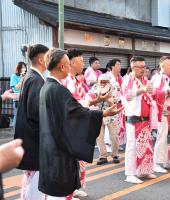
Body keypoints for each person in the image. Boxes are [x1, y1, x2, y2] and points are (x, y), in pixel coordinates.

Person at [39, 48, 121, 199]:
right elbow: (75, 112)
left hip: (51, 143)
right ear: (62, 67)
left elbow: (73, 110)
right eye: (68, 65)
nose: (70, 68)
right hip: (59, 147)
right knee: (59, 191)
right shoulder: (58, 89)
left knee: (55, 190)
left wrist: (98, 102)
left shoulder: (47, 87)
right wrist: (103, 113)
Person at [62, 48, 107, 197]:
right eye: (81, 60)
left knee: (77, 161)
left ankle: (73, 188)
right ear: (72, 62)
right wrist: (93, 102)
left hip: (77, 123)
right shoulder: (68, 79)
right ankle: (68, 192)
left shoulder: (74, 79)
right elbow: (77, 103)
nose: (83, 63)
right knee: (70, 161)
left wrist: (96, 99)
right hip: (71, 126)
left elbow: (82, 101)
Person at [13, 44, 49, 200]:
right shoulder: (36, 80)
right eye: (48, 56)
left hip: (29, 138)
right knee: (35, 183)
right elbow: (36, 112)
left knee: (30, 180)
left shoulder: (31, 77)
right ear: (41, 59)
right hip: (34, 140)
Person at [122, 56, 157, 184]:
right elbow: (127, 96)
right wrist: (141, 90)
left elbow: (150, 94)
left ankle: (144, 170)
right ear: (133, 67)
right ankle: (130, 174)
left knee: (145, 145)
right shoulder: (127, 80)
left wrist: (150, 91)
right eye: (140, 67)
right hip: (134, 119)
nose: (143, 69)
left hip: (145, 119)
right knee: (132, 147)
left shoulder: (145, 80)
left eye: (144, 66)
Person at [91, 74, 121, 165]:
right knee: (99, 136)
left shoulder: (113, 88)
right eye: (101, 82)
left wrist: (107, 98)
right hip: (99, 114)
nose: (103, 84)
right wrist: (98, 97)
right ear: (98, 82)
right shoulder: (95, 87)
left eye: (105, 82)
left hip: (111, 114)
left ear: (109, 82)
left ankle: (115, 154)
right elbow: (91, 100)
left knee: (114, 136)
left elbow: (116, 101)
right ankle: (103, 156)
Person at [10, 61, 27, 126]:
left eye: (24, 67)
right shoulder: (14, 76)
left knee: (25, 118)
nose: (24, 69)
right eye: (22, 67)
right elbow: (15, 89)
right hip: (17, 99)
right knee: (17, 118)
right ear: (18, 68)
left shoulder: (26, 76)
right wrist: (22, 78)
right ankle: (16, 134)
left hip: (25, 99)